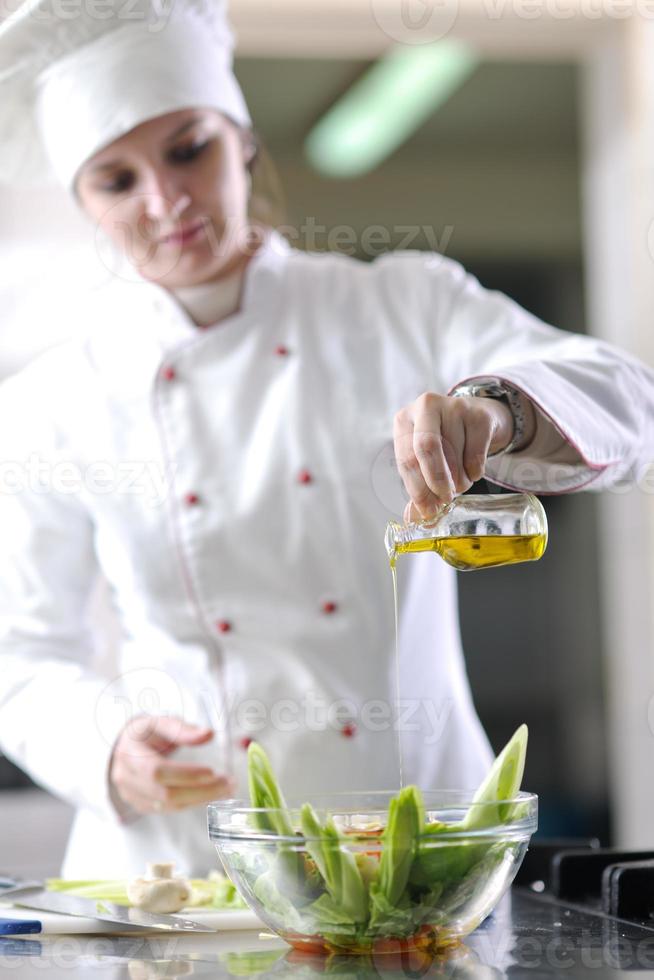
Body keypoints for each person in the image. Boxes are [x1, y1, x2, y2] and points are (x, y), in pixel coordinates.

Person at [0, 0, 652, 878]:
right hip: (181, 867)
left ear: (242, 141)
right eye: (116, 180)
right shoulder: (53, 399)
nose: (164, 200)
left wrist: (499, 408)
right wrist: (105, 744)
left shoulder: (402, 304)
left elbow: (630, 399)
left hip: (410, 848)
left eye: (189, 148)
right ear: (85, 202)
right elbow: (23, 653)